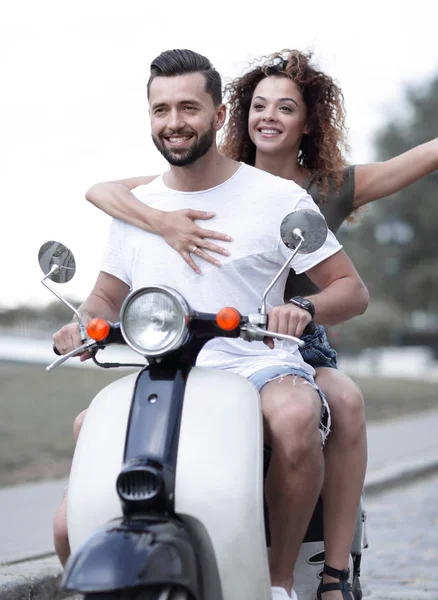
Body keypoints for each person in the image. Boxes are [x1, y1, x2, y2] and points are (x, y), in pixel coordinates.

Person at [83, 49, 438, 600]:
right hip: (190, 338)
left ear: (306, 123)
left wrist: (306, 313)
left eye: (287, 108)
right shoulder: (186, 175)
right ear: (238, 114)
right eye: (260, 105)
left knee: (337, 404)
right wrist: (163, 223)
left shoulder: (314, 190)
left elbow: (360, 263)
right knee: (93, 429)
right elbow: (106, 195)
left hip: (281, 336)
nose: (269, 116)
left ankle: (331, 571)